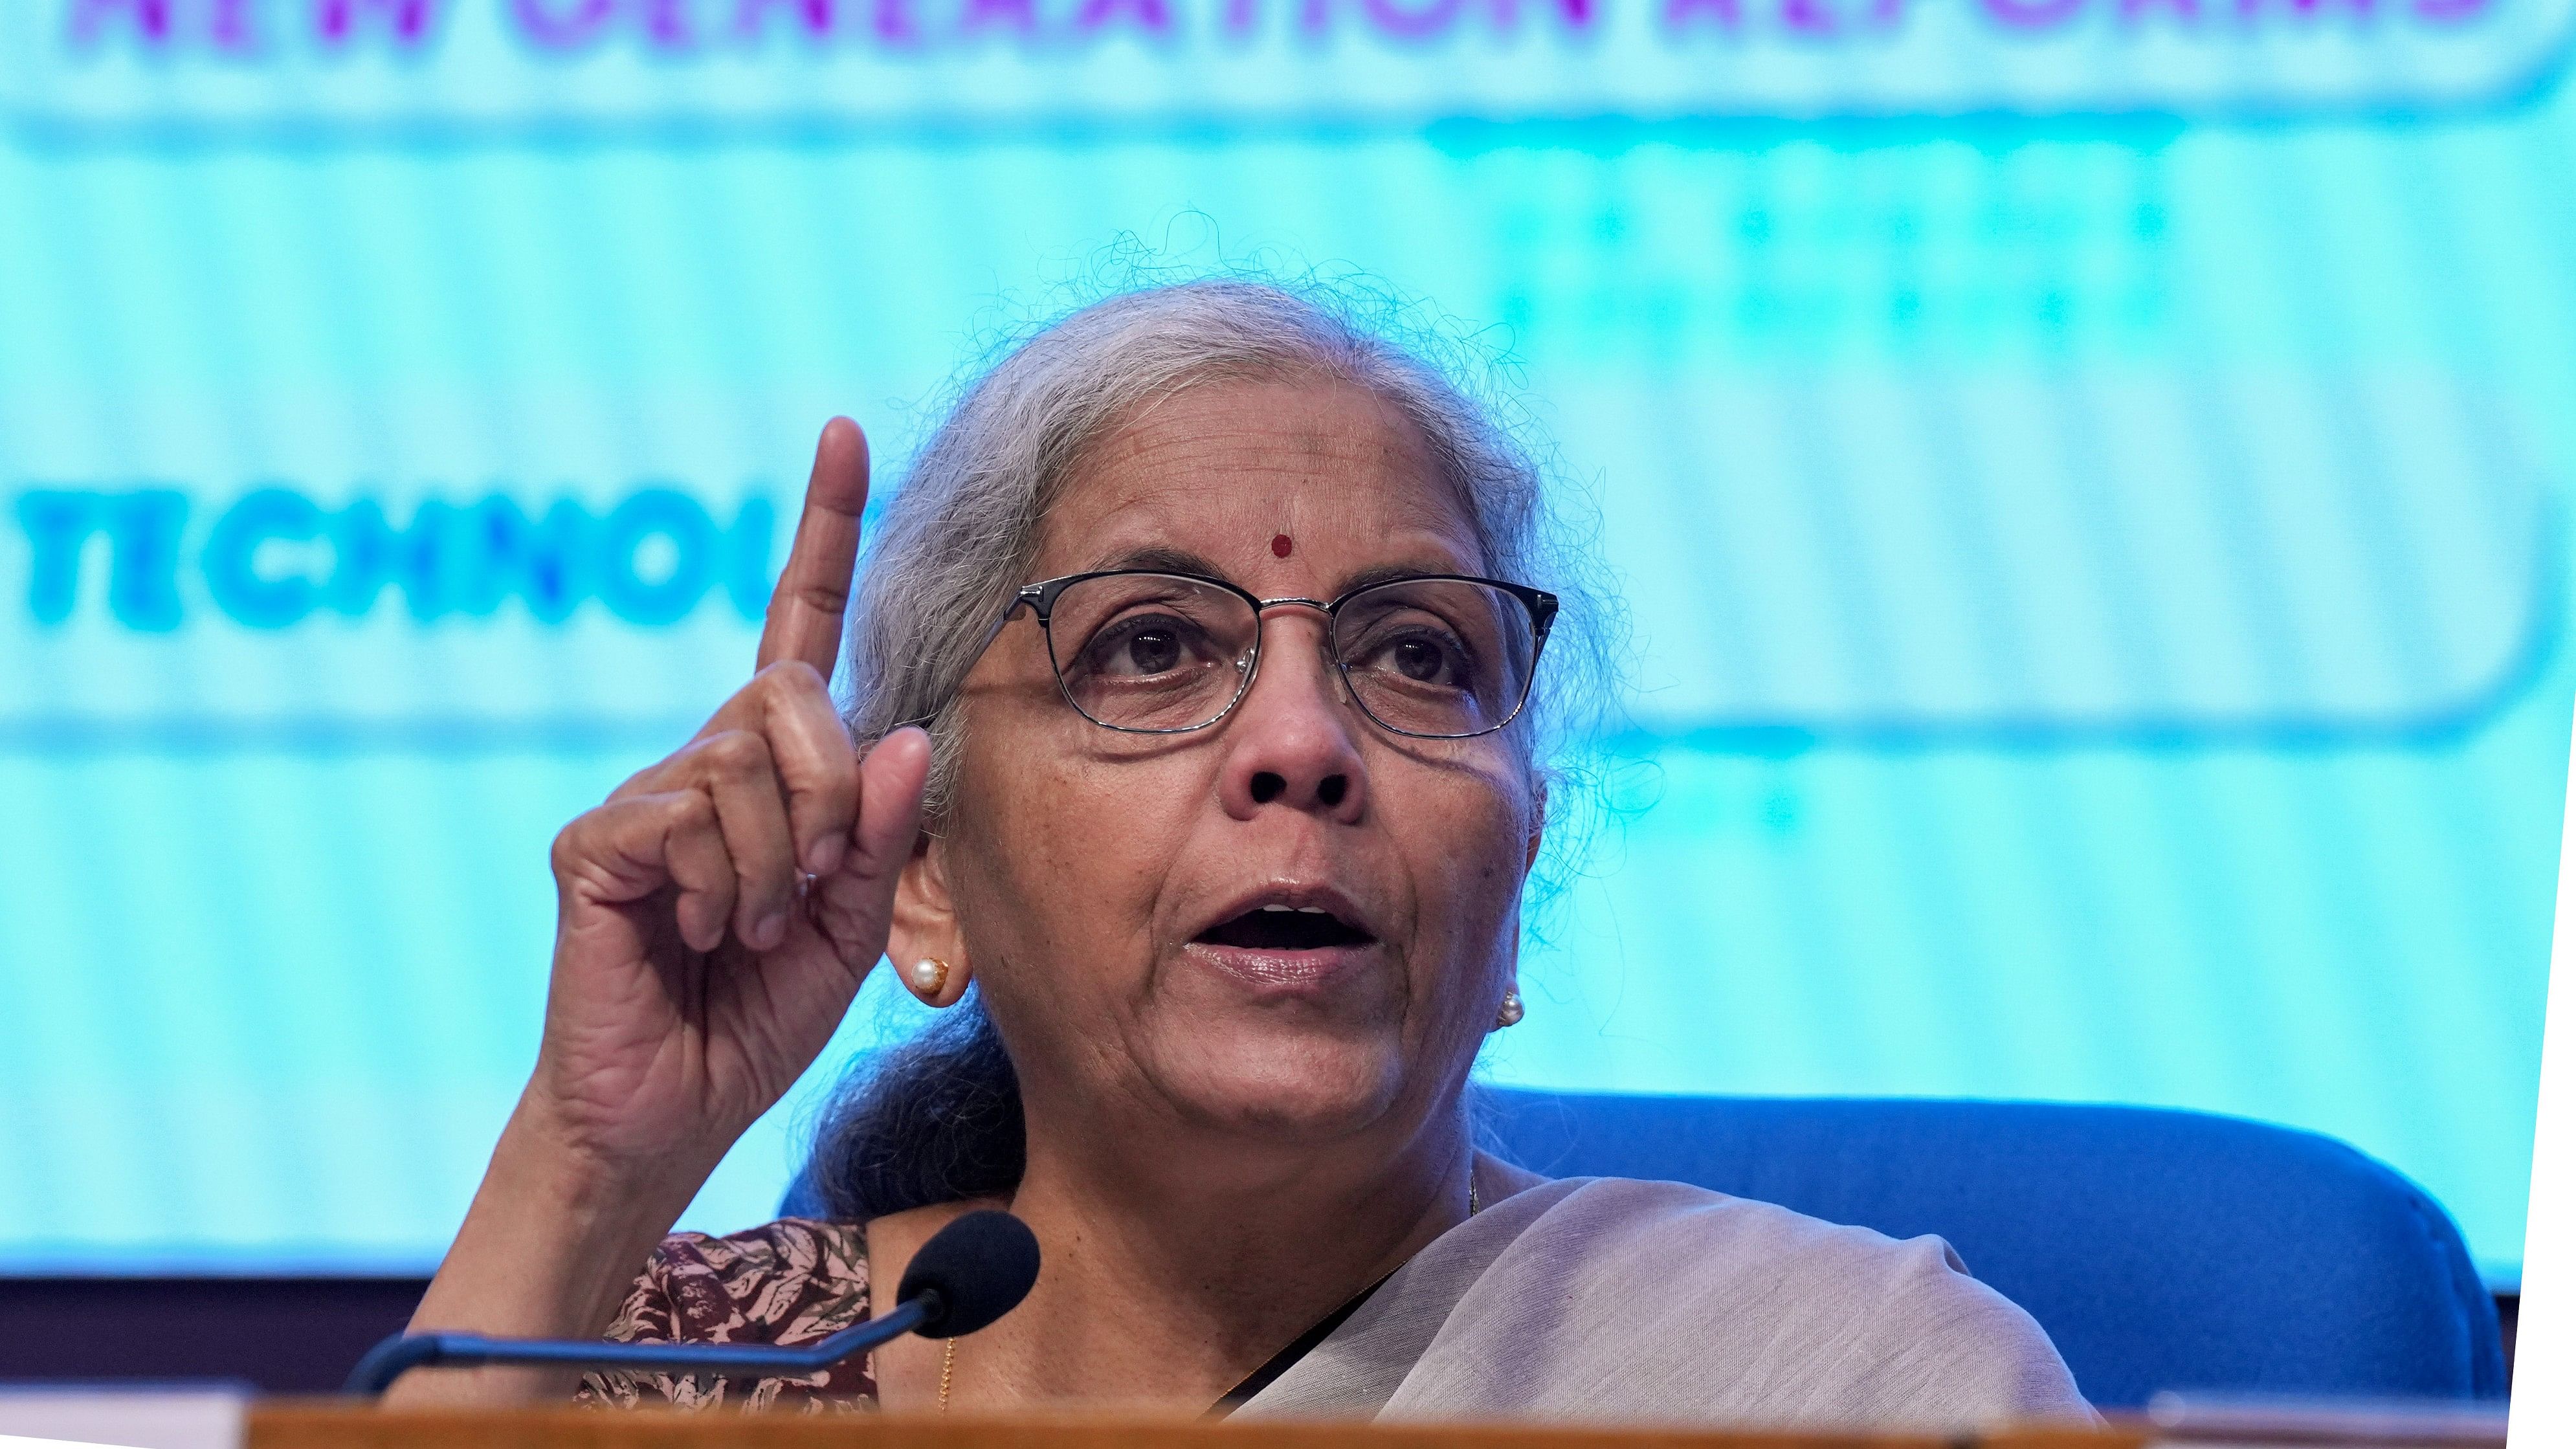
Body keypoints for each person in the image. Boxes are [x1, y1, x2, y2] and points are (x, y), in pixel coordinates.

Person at [388, 279, 2091, 1426]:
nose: (1301, 745)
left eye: (1419, 656)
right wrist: (591, 1162)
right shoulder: (662, 1384)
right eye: (1149, 648)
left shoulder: (1845, 1395)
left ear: (1519, 864)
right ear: (923, 868)